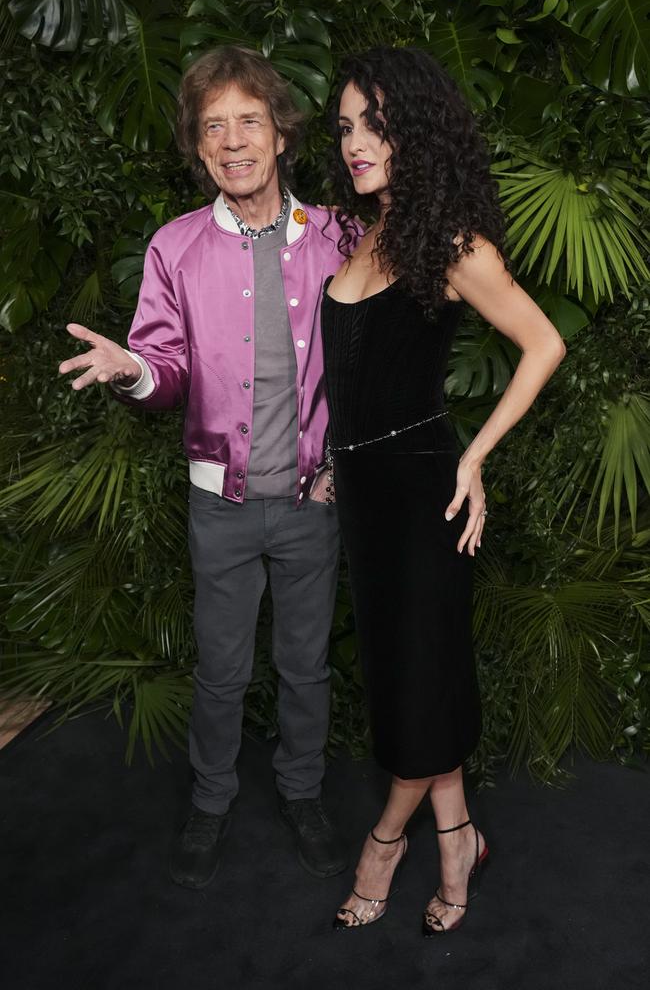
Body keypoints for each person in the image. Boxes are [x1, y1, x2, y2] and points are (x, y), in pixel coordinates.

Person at [58, 46, 351, 890]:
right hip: (219, 506)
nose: (232, 142)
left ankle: (302, 793)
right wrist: (134, 370)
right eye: (213, 127)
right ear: (199, 146)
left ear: (282, 133)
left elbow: (375, 363)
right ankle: (213, 800)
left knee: (306, 668)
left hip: (312, 503)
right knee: (221, 671)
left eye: (247, 122)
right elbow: (166, 368)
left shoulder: (337, 235)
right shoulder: (175, 248)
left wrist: (344, 463)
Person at [319, 47, 566, 934]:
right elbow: (352, 375)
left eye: (375, 122)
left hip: (426, 498)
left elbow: (544, 345)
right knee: (406, 680)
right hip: (364, 500)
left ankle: (385, 845)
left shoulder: (455, 241)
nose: (355, 141)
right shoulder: (372, 231)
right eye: (345, 125)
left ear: (415, 126)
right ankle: (457, 834)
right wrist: (327, 464)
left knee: (416, 686)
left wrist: (476, 458)